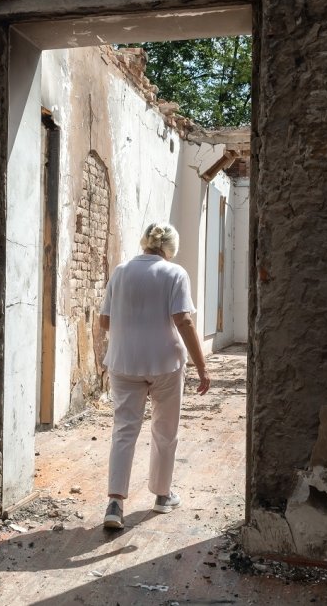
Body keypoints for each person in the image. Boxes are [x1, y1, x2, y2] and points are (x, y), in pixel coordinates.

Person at [99, 222, 211, 529]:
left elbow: (105, 321)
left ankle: (114, 503)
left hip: (123, 362)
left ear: (144, 242)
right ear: (169, 248)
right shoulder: (174, 273)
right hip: (165, 362)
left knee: (124, 429)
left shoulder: (121, 272)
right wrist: (202, 366)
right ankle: (162, 496)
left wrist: (134, 322)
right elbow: (183, 321)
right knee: (165, 429)